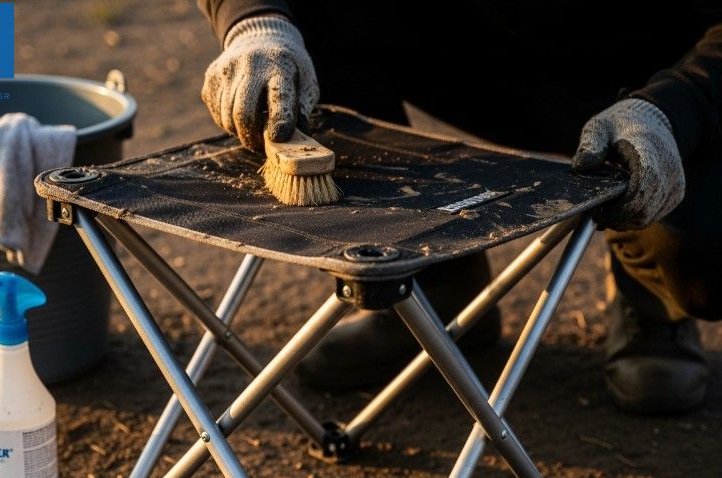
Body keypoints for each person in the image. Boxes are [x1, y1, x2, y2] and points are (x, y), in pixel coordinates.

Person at [197, 1, 722, 413]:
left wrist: (678, 108)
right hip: (464, 46)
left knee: (703, 247)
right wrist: (252, 20)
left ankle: (653, 289)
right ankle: (430, 284)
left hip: (645, 70)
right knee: (303, 11)